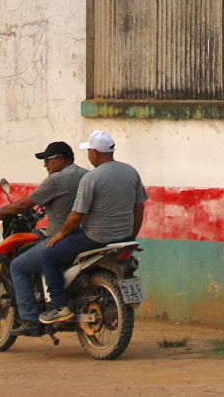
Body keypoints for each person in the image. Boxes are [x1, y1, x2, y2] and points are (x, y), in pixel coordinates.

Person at [33, 129, 148, 326]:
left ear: (95, 153)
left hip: (95, 237)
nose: (88, 155)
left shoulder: (91, 178)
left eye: (89, 151)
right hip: (123, 238)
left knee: (48, 256)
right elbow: (139, 208)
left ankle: (59, 307)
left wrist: (61, 234)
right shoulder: (131, 172)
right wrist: (131, 235)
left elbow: (77, 215)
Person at [0, 140, 86, 335]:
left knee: (18, 266)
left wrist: (1, 210)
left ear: (61, 159)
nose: (45, 165)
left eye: (48, 160)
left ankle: (30, 318)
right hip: (85, 237)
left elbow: (24, 205)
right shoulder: (87, 175)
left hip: (60, 239)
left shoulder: (55, 180)